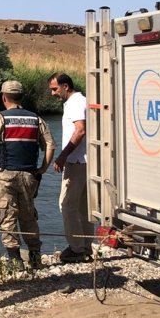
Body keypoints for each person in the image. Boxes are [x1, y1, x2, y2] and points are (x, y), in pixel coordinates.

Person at [0, 80, 56, 269]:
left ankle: (14, 260)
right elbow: (50, 144)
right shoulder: (36, 119)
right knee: (28, 215)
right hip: (29, 174)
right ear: (21, 96)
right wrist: (42, 168)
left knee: (6, 215)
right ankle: (35, 256)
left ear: (4, 97)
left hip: (5, 173)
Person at [48, 72, 94, 263]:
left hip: (76, 162)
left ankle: (76, 249)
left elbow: (80, 130)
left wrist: (62, 156)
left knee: (66, 205)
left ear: (65, 86)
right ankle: (86, 247)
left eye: (55, 89)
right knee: (83, 208)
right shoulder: (82, 100)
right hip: (87, 161)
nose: (53, 94)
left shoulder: (75, 102)